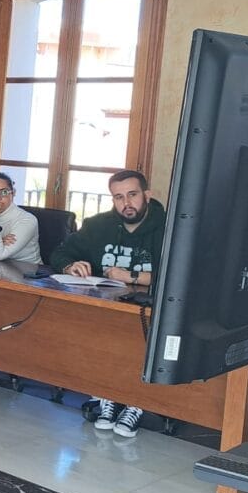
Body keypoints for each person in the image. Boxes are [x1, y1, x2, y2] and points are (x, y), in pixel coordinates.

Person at [52, 170, 166, 437]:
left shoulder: (170, 227)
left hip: (150, 312)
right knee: (98, 335)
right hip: (107, 308)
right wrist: (70, 265)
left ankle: (136, 402)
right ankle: (106, 395)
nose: (126, 203)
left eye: (132, 195)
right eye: (118, 197)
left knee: (136, 340)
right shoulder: (98, 225)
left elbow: (183, 273)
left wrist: (134, 276)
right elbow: (59, 252)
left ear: (147, 195)